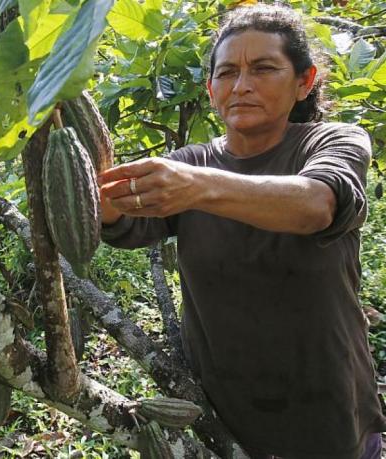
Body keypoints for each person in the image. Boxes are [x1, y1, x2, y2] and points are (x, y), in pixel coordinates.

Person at [97, 5, 386, 459]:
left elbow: (318, 204)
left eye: (264, 68)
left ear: (303, 81)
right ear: (210, 89)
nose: (242, 85)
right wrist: (95, 193)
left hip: (328, 412)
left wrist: (198, 189)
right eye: (227, 72)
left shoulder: (331, 141)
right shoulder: (190, 163)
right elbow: (124, 225)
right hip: (227, 418)